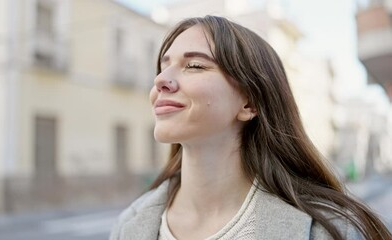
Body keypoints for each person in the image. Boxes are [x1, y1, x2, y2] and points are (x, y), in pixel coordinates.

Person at [110, 15, 392, 240]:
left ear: (249, 103)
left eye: (194, 65)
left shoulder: (333, 231)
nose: (161, 81)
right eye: (163, 66)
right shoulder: (129, 226)